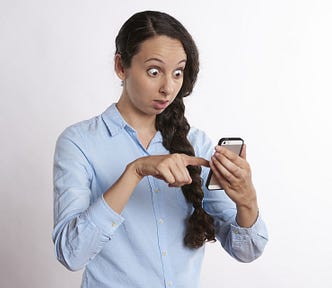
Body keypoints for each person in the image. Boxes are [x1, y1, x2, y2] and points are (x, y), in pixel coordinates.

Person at [52, 10, 268, 288]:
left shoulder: (196, 143)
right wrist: (136, 171)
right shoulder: (79, 143)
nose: (168, 87)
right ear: (121, 66)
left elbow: (246, 251)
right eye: (154, 71)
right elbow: (71, 253)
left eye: (177, 72)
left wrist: (247, 200)